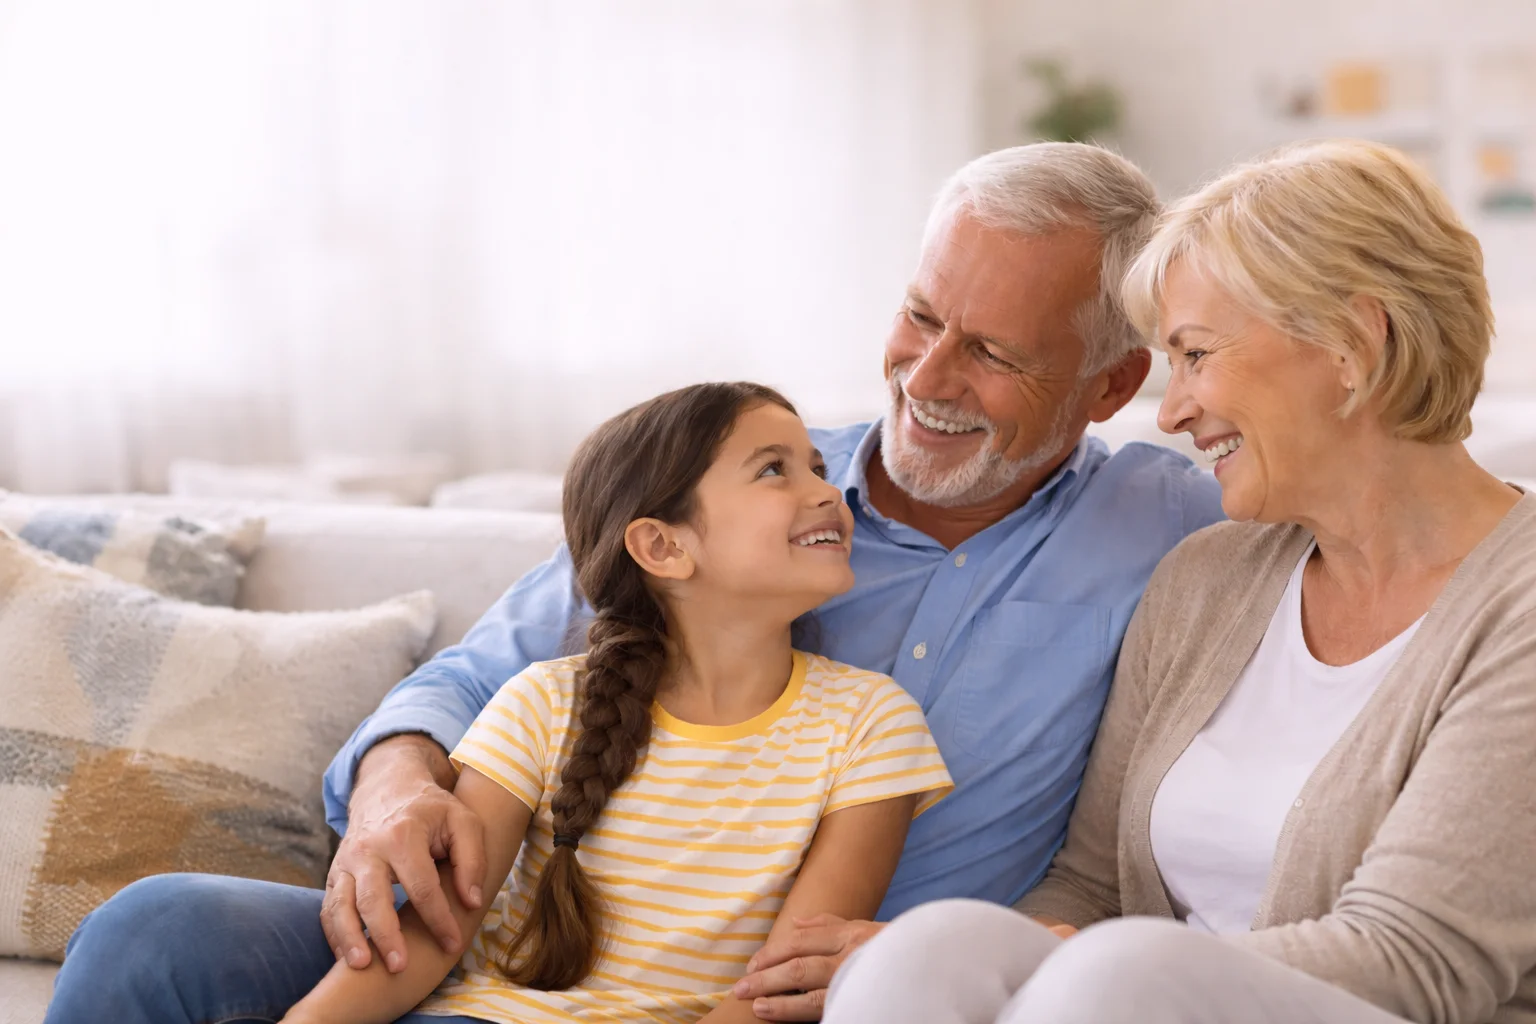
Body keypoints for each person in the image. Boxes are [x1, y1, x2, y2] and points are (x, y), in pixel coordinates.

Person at [47, 143, 1224, 1024]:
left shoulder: (1173, 522)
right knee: (159, 928)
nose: (927, 375)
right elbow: (475, 680)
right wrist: (398, 788)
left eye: (994, 352)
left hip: (835, 993)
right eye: (920, 316)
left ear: (1111, 386)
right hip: (524, 949)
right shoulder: (725, 489)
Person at [821, 139, 1536, 1024]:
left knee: (1121, 972)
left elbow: (1417, 961)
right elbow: (1090, 885)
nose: (1170, 413)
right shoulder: (1207, 574)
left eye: (1196, 355)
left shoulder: (1515, 605)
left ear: (1353, 344)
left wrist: (1098, 970)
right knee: (931, 948)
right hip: (1125, 996)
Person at [269, 382, 951, 1023]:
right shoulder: (541, 702)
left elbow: (782, 986)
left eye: (818, 468)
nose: (829, 492)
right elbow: (432, 934)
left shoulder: (872, 724)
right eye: (775, 470)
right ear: (663, 546)